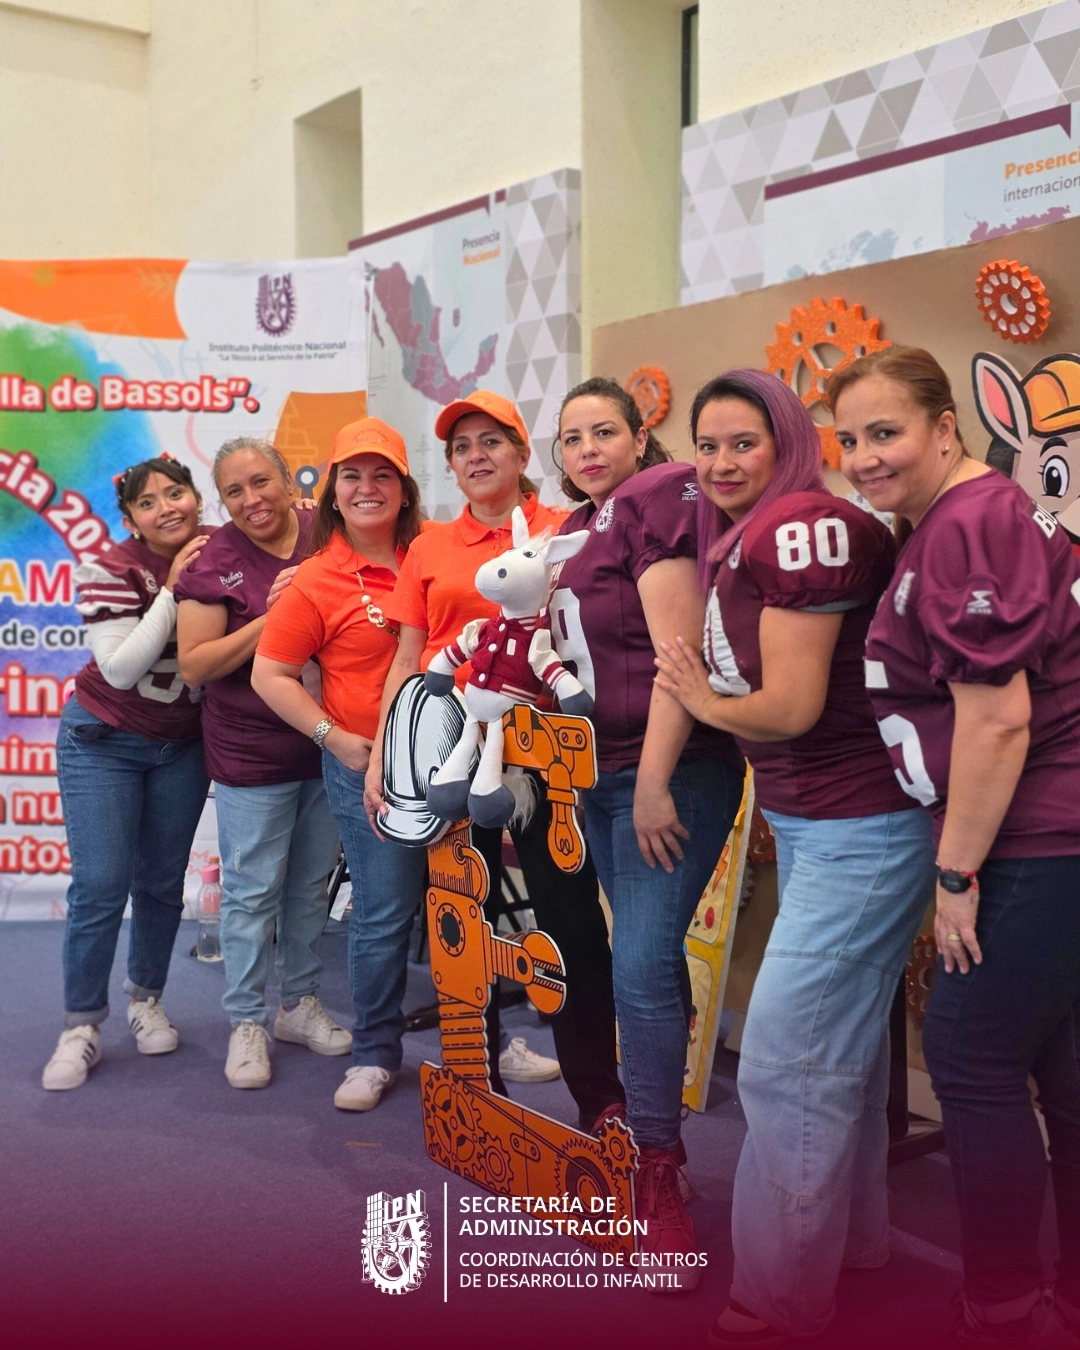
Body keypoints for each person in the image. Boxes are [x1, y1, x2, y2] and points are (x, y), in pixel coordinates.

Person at [652, 370, 933, 1344]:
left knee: (784, 1061)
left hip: (861, 826)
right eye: (708, 445)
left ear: (788, 443)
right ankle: (851, 1247)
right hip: (826, 824)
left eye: (745, 443)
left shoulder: (802, 527)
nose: (722, 463)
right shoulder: (750, 533)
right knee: (833, 1053)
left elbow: (792, 708)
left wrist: (700, 699)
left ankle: (782, 1298)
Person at [830, 347, 1080, 1349]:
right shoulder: (955, 519)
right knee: (1058, 1068)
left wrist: (958, 871)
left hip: (1031, 837)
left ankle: (1002, 1305)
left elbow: (999, 720)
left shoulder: (970, 522)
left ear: (945, 427)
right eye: (849, 439)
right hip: (1044, 833)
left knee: (970, 1058)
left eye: (885, 432)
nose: (864, 457)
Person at [365, 389, 624, 1123]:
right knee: (459, 920)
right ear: (450, 465)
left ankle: (600, 1098)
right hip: (454, 754)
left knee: (572, 922)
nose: (476, 457)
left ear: (520, 451)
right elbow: (410, 658)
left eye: (491, 442)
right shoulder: (429, 547)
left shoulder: (566, 529)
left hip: (546, 758)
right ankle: (479, 1093)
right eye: (461, 447)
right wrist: (386, 754)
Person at [549, 376, 744, 1285]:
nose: (587, 449)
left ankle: (657, 1166)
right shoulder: (576, 527)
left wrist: (656, 780)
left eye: (603, 431)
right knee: (647, 962)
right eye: (571, 437)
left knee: (639, 964)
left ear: (640, 436)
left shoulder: (660, 497)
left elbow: (679, 654)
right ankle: (659, 1142)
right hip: (598, 776)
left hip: (668, 771)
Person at [252, 417, 427, 1112]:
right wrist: (335, 738)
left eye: (383, 474)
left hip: (460, 766)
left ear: (405, 488)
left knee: (467, 908)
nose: (367, 487)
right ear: (332, 491)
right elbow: (271, 675)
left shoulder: (436, 552)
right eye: (351, 475)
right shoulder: (316, 579)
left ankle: (485, 1043)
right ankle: (375, 1053)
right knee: (383, 913)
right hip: (366, 772)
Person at [175, 438, 347, 1090]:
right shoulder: (215, 559)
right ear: (222, 501)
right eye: (234, 491)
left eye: (261, 482)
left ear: (288, 480)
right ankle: (246, 1020)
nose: (252, 500)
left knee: (308, 887)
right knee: (251, 893)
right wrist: (276, 614)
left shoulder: (327, 529)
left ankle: (298, 1004)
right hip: (251, 752)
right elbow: (196, 665)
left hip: (328, 743)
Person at [43, 456, 211, 1090]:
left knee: (162, 884)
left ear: (196, 496)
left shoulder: (222, 552)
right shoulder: (111, 569)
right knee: (101, 884)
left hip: (181, 745)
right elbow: (118, 671)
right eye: (148, 502)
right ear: (132, 520)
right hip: (103, 740)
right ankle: (81, 1023)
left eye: (175, 492)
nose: (166, 507)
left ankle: (146, 998)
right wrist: (174, 588)